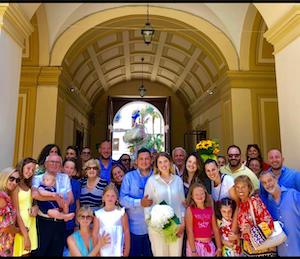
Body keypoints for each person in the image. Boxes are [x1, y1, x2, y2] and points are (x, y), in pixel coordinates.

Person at [144, 152, 186, 256]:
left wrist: (182, 223)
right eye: (160, 162)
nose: (163, 164)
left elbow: (182, 204)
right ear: (157, 165)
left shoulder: (178, 180)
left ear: (170, 162)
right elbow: (147, 205)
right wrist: (151, 223)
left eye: (165, 161)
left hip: (176, 225)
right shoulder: (152, 181)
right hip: (158, 227)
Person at [32, 154, 74, 256]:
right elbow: (35, 194)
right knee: (40, 252)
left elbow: (70, 197)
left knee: (57, 252)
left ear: (61, 165)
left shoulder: (65, 178)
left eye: (57, 162)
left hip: (60, 223)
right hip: (44, 221)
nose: (54, 164)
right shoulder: (38, 178)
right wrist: (55, 197)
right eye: (52, 162)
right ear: (46, 164)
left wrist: (64, 204)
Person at [119, 147, 153, 256]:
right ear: (136, 161)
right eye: (141, 159)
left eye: (147, 159)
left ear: (151, 160)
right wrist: (139, 202)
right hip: (134, 229)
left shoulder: (156, 177)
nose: (144, 161)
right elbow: (122, 199)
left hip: (153, 229)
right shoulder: (129, 177)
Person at [233, 175, 276, 256]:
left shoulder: (254, 201)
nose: (240, 190)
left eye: (243, 187)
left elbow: (269, 223)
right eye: (237, 187)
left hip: (263, 250)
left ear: (249, 188)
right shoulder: (240, 205)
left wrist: (252, 230)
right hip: (248, 250)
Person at [259, 171, 300, 256]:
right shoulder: (268, 204)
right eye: (264, 183)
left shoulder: (293, 195)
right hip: (282, 252)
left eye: (269, 180)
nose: (268, 184)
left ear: (276, 179)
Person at [259, 148, 300, 219]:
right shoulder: (264, 178)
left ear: (282, 159)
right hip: (275, 222)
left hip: (292, 221)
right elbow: (263, 199)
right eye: (271, 158)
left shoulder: (294, 175)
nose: (274, 160)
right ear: (268, 161)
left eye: (277, 157)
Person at [185, 182, 222, 257]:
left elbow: (215, 228)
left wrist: (219, 248)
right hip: (195, 246)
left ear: (205, 194)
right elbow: (189, 231)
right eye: (196, 194)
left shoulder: (210, 209)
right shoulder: (190, 210)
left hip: (209, 245)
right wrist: (193, 251)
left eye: (202, 193)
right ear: (192, 196)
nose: (200, 196)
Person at [93, 183, 130, 256]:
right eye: (107, 195)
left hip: (118, 251)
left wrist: (126, 252)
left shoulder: (121, 213)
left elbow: (126, 233)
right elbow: (95, 234)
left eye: (113, 196)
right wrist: (97, 252)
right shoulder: (98, 214)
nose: (110, 198)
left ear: (117, 198)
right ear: (103, 198)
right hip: (103, 252)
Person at [12, 158, 38, 256]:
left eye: (33, 170)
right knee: (18, 252)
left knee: (27, 253)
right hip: (21, 225)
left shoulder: (28, 185)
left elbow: (32, 202)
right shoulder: (15, 185)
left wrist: (36, 207)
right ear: (22, 167)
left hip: (30, 223)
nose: (30, 172)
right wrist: (26, 237)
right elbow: (16, 212)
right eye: (28, 168)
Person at [0, 167, 20, 257]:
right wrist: (20, 230)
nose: (14, 183)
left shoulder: (8, 196)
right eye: (11, 179)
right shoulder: (2, 197)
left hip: (6, 243)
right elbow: (5, 226)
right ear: (5, 177)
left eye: (17, 180)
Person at [62, 158, 81, 253]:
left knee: (68, 248)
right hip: (57, 220)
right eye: (67, 167)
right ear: (62, 168)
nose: (69, 170)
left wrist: (77, 224)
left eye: (71, 168)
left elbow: (77, 205)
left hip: (70, 221)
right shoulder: (56, 181)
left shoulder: (76, 184)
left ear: (74, 171)